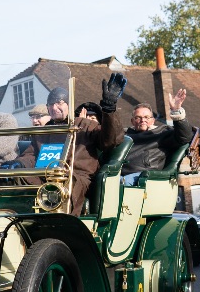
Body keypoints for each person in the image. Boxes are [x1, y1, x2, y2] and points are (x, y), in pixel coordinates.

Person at [17, 77, 126, 213]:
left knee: (65, 183)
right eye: (50, 104)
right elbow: (31, 155)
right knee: (16, 176)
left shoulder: (84, 124)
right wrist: (19, 164)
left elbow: (110, 140)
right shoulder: (43, 131)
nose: (54, 107)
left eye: (59, 103)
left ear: (69, 104)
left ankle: (64, 226)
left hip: (75, 176)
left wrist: (109, 110)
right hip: (44, 174)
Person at [122, 89, 193, 182]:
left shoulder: (161, 133)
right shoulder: (125, 136)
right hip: (119, 174)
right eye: (138, 117)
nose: (143, 120)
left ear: (153, 120)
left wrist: (176, 111)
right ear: (132, 121)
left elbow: (184, 137)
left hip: (144, 177)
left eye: (146, 117)